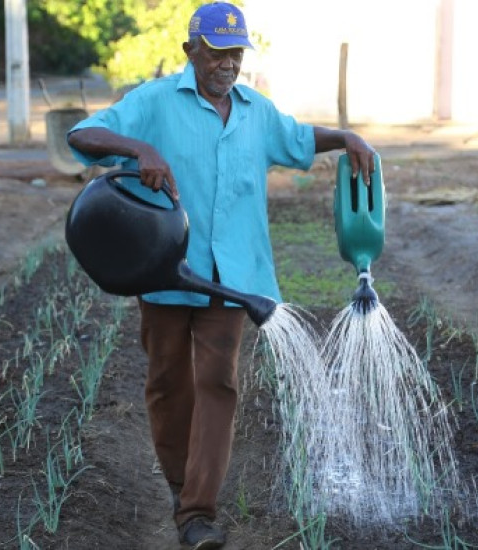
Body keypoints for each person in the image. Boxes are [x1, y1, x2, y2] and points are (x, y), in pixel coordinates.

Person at [66, 2, 376, 547]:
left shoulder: (257, 112)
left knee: (219, 383)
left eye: (235, 52)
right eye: (216, 51)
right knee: (168, 383)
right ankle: (183, 486)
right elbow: (83, 134)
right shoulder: (156, 101)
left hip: (233, 277)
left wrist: (347, 138)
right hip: (162, 268)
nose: (227, 63)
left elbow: (300, 140)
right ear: (192, 50)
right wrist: (139, 150)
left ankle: (197, 513)